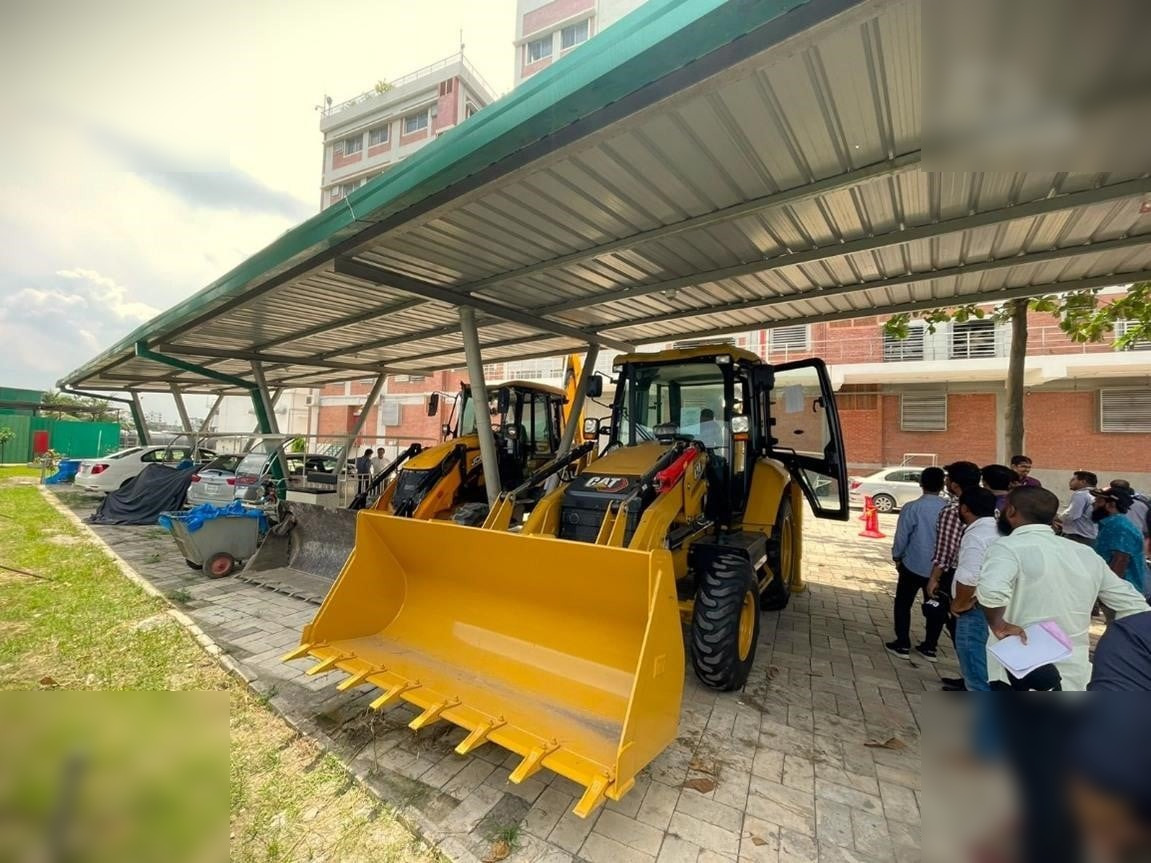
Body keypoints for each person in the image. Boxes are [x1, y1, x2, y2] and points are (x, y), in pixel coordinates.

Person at [976, 487, 1149, 691]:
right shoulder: (1085, 553)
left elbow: (991, 592)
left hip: (1020, 670)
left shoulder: (1007, 547)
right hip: (1073, 673)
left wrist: (999, 625)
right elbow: (1135, 606)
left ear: (1011, 511)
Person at [924, 461, 983, 669]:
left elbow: (946, 550)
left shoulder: (953, 511)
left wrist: (934, 578)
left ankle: (970, 675)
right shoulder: (989, 508)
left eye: (948, 478)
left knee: (958, 623)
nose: (946, 482)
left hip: (958, 575)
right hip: (984, 576)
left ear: (955, 484)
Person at [886, 467, 949, 660]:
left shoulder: (912, 507)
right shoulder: (950, 509)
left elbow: (902, 536)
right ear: (943, 485)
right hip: (939, 569)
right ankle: (930, 646)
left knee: (903, 603)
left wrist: (897, 556)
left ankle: (902, 643)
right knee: (935, 605)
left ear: (921, 483)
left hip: (913, 564)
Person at [947, 487, 999, 691]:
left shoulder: (977, 536)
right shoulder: (999, 530)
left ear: (965, 508)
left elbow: (969, 576)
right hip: (994, 606)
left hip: (975, 610)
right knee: (987, 667)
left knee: (976, 673)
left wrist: (959, 604)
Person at [1091, 486, 1148, 596]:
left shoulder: (1120, 527)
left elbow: (1120, 561)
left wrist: (1106, 593)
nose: (1093, 504)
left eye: (1098, 501)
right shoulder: (1111, 524)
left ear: (1111, 505)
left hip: (1125, 593)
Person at [1057, 470, 1099, 546]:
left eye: (1073, 480)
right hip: (1092, 535)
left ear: (1083, 482)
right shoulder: (1097, 494)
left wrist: (1057, 517)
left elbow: (1072, 515)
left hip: (1078, 537)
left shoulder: (1080, 494)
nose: (1070, 482)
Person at [1110, 479, 1150, 550]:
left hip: (1117, 540)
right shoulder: (1142, 504)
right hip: (1137, 540)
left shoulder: (1109, 504)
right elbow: (1146, 527)